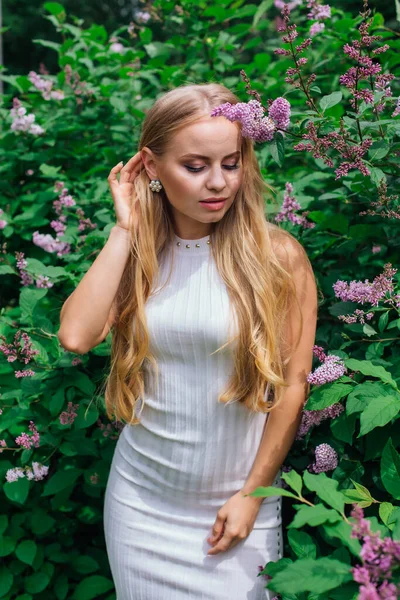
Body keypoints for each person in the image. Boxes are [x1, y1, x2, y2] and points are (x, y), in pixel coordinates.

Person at [58, 82, 318, 599]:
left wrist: (251, 496)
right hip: (142, 506)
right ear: (151, 168)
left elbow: (293, 386)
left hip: (239, 508)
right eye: (195, 166)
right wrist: (124, 229)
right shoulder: (139, 256)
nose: (218, 183)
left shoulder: (279, 257)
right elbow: (75, 336)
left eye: (231, 162)